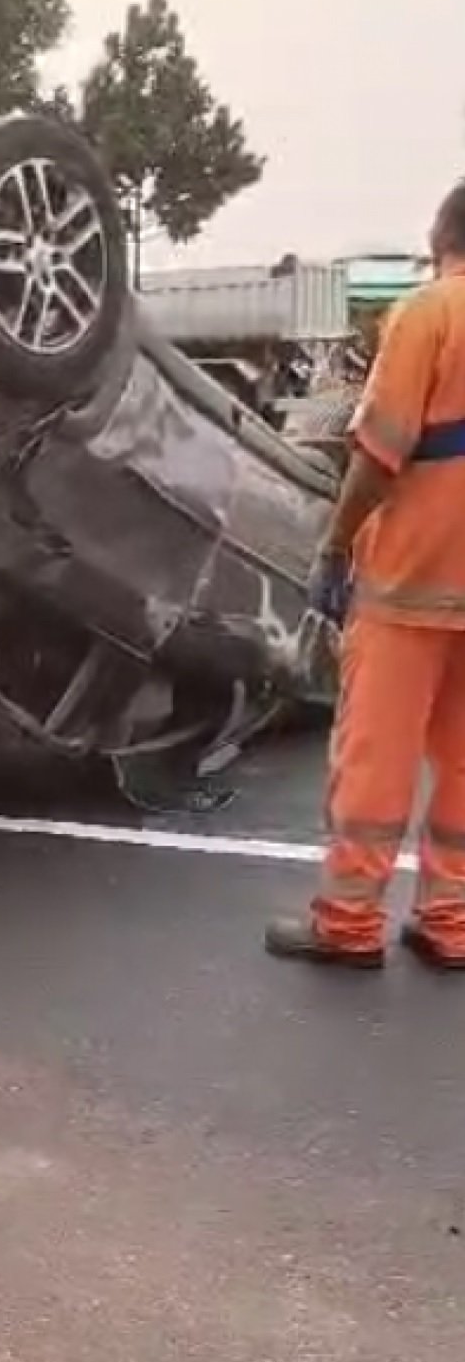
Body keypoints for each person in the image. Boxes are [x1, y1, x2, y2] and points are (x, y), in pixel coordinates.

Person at [267, 179, 465, 970]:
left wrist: (334, 547)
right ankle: (450, 921)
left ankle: (349, 923)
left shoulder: (427, 313)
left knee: (374, 761)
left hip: (409, 583)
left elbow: (379, 452)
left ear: (440, 237)